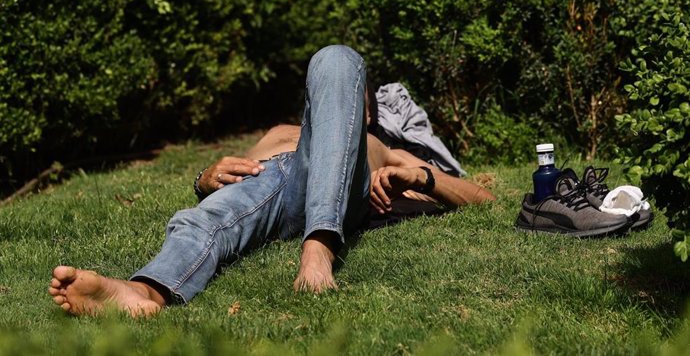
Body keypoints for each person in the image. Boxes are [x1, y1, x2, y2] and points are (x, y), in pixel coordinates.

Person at [48, 45, 495, 317]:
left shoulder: (379, 143)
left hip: (339, 192)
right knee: (204, 219)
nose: (335, 100)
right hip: (270, 180)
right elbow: (219, 184)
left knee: (336, 57)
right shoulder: (285, 130)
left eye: (346, 98)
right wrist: (204, 179)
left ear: (368, 111)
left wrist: (418, 176)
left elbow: (482, 197)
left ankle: (318, 247)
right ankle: (144, 291)